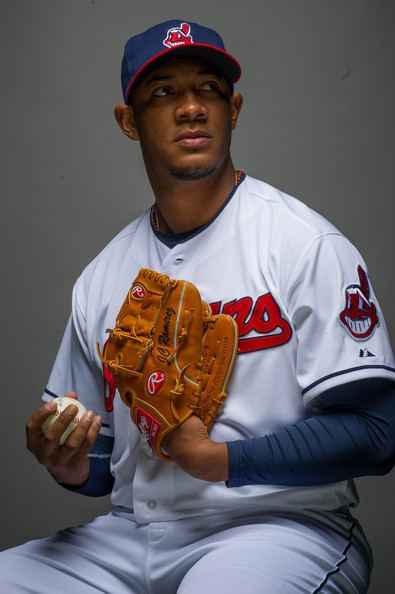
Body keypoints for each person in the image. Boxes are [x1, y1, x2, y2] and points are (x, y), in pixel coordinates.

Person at [1, 19, 395, 593]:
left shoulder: (303, 244)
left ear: (232, 108)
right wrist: (69, 464)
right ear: (128, 122)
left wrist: (219, 459)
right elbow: (103, 460)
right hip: (131, 533)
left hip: (278, 529)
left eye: (206, 88)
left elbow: (378, 430)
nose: (190, 107)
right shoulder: (102, 277)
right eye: (163, 92)